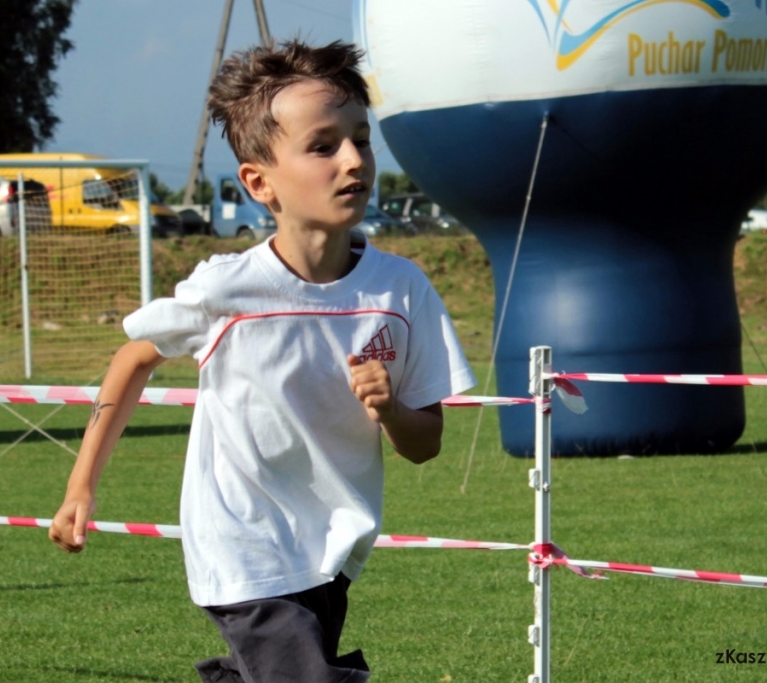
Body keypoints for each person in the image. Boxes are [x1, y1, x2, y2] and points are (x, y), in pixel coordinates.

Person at [48, 39, 475, 682]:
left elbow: (426, 444)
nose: (354, 160)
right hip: (242, 548)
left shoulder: (401, 290)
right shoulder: (227, 290)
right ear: (259, 182)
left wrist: (389, 409)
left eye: (362, 140)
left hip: (334, 550)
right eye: (323, 146)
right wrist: (81, 486)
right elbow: (133, 359)